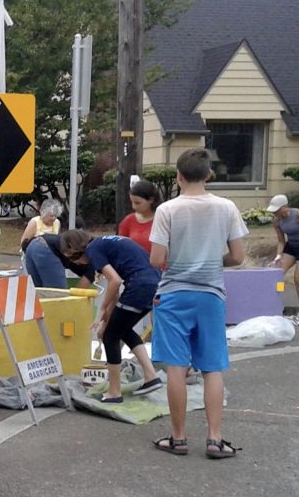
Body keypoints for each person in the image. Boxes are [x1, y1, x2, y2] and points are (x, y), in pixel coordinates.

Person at [148, 148, 248, 459]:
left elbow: (157, 259)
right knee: (212, 367)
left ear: (178, 176)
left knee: (176, 369)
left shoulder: (167, 210)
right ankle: (215, 439)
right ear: (208, 175)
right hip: (211, 296)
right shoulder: (226, 207)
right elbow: (238, 256)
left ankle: (178, 438)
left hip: (174, 295)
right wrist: (211, 261)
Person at [59, 230, 163, 403]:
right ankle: (151, 376)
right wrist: (106, 319)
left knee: (110, 337)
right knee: (122, 329)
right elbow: (114, 294)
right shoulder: (105, 243)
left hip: (139, 285)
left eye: (73, 259)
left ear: (74, 250)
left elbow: (115, 281)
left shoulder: (94, 249)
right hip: (154, 284)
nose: (79, 264)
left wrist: (101, 312)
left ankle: (114, 392)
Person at [21, 231, 96, 290]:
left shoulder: (88, 262)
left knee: (38, 292)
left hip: (33, 245)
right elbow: (80, 290)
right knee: (57, 294)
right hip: (45, 248)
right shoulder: (91, 263)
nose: (74, 261)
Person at [118, 180, 161, 254]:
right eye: (132, 202)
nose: (133, 206)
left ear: (151, 200)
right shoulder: (128, 221)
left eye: (138, 203)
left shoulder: (162, 220)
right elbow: (120, 247)